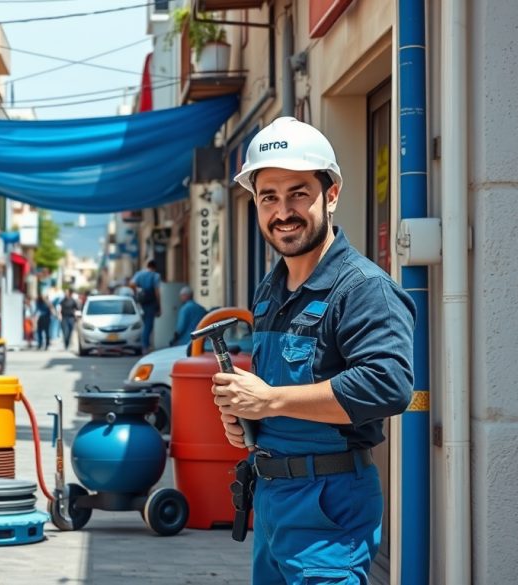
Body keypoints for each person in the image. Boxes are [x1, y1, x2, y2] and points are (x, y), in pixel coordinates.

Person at [210, 117, 415, 584]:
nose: (283, 211)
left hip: (330, 507)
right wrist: (245, 415)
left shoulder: (363, 290)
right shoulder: (271, 288)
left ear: (332, 193)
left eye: (298, 193)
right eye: (269, 197)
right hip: (272, 500)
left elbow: (388, 386)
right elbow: (274, 387)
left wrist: (270, 400)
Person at [130, 259, 162, 353]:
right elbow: (157, 291)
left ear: (147, 266)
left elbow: (131, 284)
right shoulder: (155, 276)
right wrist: (159, 305)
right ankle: (145, 345)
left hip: (142, 301)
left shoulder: (139, 274)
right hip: (151, 302)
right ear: (155, 267)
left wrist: (137, 291)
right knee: (149, 324)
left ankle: (144, 343)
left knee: (144, 323)